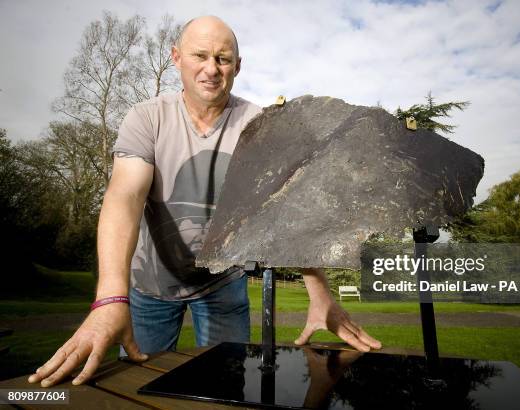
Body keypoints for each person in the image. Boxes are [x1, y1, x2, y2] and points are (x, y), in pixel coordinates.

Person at [28, 15, 381, 388]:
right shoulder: (146, 119)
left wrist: (319, 291)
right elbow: (125, 197)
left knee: (228, 384)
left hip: (221, 284)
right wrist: (110, 299)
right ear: (176, 57)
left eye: (223, 59)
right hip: (149, 283)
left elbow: (285, 210)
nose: (211, 69)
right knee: (133, 384)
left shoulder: (257, 125)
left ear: (237, 67)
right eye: (200, 56)